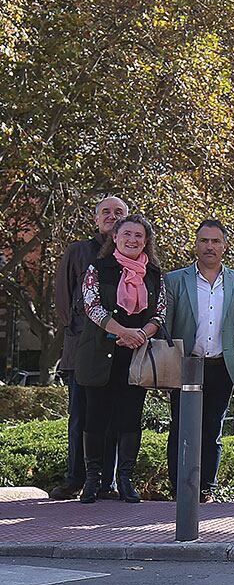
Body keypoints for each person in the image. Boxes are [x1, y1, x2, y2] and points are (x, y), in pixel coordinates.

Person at [76, 216, 167, 503]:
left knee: (130, 419)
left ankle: (125, 479)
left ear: (146, 241)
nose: (133, 240)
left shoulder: (154, 273)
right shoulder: (98, 268)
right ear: (115, 237)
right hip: (100, 356)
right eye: (127, 234)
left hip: (136, 358)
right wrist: (122, 331)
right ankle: (92, 481)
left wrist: (141, 333)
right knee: (95, 419)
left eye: (139, 235)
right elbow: (91, 305)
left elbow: (160, 312)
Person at [164, 219, 234, 503]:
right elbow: (167, 323)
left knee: (212, 429)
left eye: (215, 241)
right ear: (196, 244)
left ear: (225, 246)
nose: (210, 246)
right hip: (186, 365)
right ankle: (179, 489)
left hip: (221, 365)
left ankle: (206, 489)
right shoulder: (176, 280)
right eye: (204, 240)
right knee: (181, 429)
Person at [50, 195, 127, 500]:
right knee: (81, 417)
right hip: (83, 350)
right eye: (106, 212)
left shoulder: (132, 257)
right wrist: (79, 334)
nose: (112, 216)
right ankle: (75, 479)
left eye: (119, 212)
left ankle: (106, 482)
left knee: (113, 419)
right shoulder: (79, 252)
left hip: (120, 350)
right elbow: (63, 297)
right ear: (96, 219)